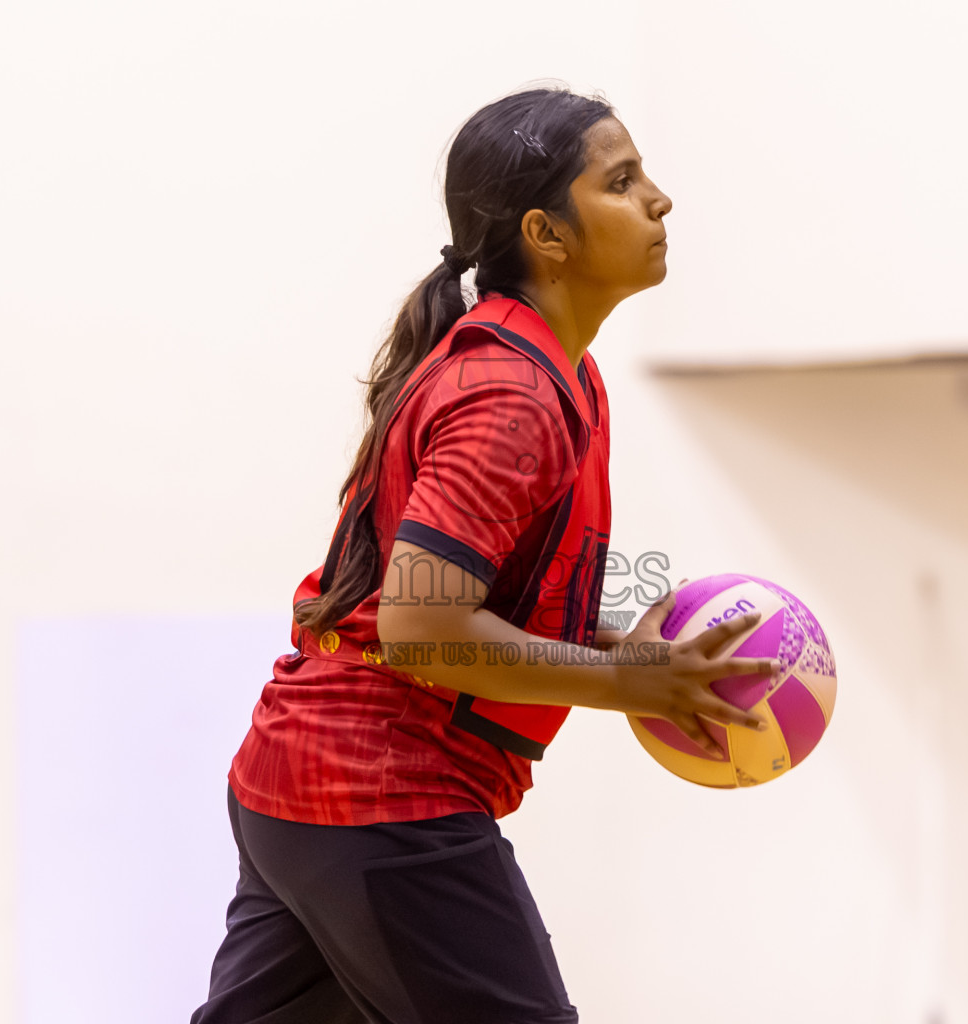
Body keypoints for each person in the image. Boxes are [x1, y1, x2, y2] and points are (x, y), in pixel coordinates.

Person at [190, 86, 778, 1024]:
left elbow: (483, 597)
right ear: (547, 234)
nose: (659, 199)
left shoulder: (559, 373)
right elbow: (422, 627)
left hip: (302, 778)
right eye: (622, 181)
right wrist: (628, 684)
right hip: (384, 794)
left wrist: (628, 647)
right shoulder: (512, 392)